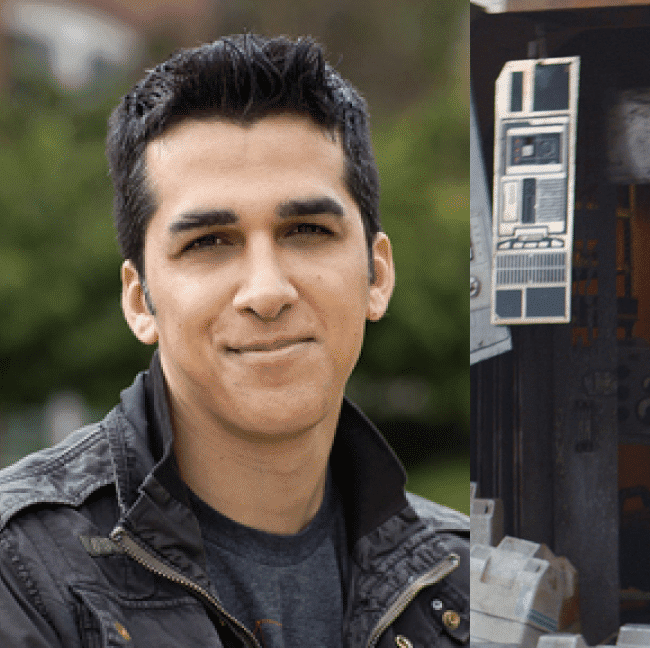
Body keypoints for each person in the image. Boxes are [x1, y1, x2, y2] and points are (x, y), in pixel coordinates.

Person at [0, 35, 469, 647]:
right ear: (140, 299)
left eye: (306, 230)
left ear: (376, 275)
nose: (267, 291)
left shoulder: (465, 584)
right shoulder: (20, 572)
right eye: (209, 242)